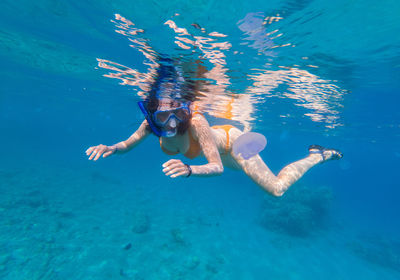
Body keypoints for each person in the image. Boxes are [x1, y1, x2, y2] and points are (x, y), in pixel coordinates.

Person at [86, 61, 343, 197]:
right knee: (255, 179)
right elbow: (127, 144)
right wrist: (110, 147)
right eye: (165, 116)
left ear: (185, 109)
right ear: (153, 115)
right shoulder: (150, 125)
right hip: (222, 149)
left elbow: (217, 167)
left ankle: (317, 155)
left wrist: (189, 170)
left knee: (276, 189)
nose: (173, 122)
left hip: (235, 144)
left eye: (178, 113)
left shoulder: (196, 122)